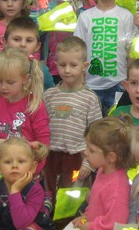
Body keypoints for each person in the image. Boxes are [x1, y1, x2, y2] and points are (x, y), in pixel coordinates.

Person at [56, 117, 133, 230]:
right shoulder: (102, 170)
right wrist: (85, 218)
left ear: (111, 157)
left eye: (91, 150)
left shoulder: (117, 186)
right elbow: (97, 207)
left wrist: (90, 228)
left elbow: (115, 225)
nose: (85, 152)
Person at [74, 0, 139, 115]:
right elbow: (78, 50)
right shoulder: (85, 16)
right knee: (92, 124)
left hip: (119, 82)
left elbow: (131, 50)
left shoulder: (126, 16)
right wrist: (80, 77)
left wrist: (130, 78)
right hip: (90, 84)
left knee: (117, 122)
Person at [43, 36, 102, 195]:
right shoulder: (48, 95)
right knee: (51, 196)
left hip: (78, 158)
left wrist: (89, 163)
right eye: (62, 65)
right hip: (51, 157)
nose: (67, 70)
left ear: (84, 66)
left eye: (73, 65)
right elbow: (42, 128)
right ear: (56, 64)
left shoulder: (90, 98)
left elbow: (97, 135)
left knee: (74, 199)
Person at [38, 0, 94, 81]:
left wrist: (85, 4)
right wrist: (37, 5)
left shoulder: (87, 3)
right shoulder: (50, 2)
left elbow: (93, 28)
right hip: (53, 64)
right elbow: (38, 29)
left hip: (78, 64)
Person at [0, 48, 51, 160]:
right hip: (4, 164)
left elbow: (43, 145)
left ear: (25, 79)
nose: (3, 87)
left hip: (29, 165)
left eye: (10, 82)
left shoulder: (34, 106)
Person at [0, 17, 54, 98]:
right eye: (16, 39)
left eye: (29, 40)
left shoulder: (42, 70)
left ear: (37, 46)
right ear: (5, 42)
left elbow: (51, 96)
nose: (23, 44)